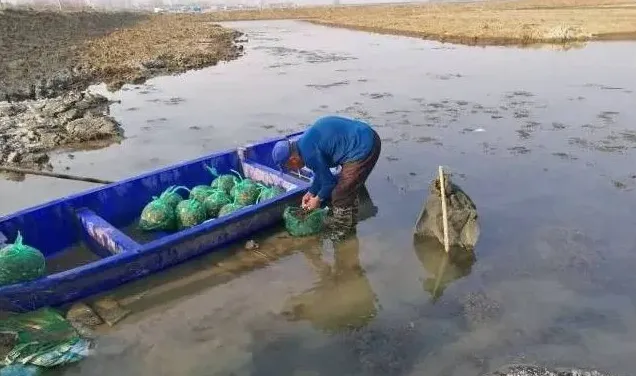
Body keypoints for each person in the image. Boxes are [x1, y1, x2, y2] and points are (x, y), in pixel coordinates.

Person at [271, 115, 382, 237]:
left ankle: (342, 234)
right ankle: (349, 224)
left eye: (289, 167)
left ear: (292, 159)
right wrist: (311, 192)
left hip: (364, 147)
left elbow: (329, 183)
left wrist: (317, 200)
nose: (293, 169)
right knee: (347, 190)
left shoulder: (309, 155)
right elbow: (322, 173)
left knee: (340, 194)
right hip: (362, 136)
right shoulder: (304, 144)